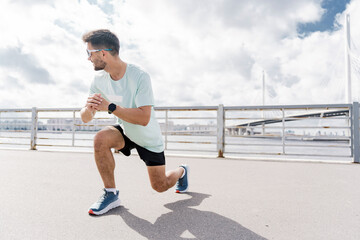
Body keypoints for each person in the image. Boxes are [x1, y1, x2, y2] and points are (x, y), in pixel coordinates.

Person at [80, 29, 189, 216]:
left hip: (147, 137)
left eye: (89, 53)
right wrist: (88, 110)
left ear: (103, 53)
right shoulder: (98, 79)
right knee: (100, 139)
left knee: (160, 186)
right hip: (125, 130)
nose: (88, 58)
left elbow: (144, 118)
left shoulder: (139, 76)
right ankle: (111, 194)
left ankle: (181, 171)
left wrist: (111, 107)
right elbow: (85, 117)